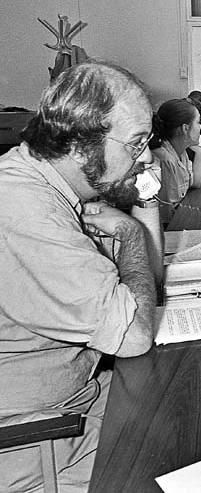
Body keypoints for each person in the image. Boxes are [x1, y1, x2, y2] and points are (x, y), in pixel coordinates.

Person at [0, 62, 161, 492]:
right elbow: (135, 335)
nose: (145, 156)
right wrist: (129, 234)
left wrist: (143, 198)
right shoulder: (25, 211)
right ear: (77, 143)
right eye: (135, 143)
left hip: (78, 401)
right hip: (37, 441)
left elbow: (149, 287)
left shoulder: (51, 190)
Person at [151, 98, 201, 225]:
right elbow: (166, 216)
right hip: (169, 229)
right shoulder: (165, 159)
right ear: (185, 129)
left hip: (179, 220)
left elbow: (195, 183)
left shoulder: (181, 153)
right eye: (198, 122)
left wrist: (200, 151)